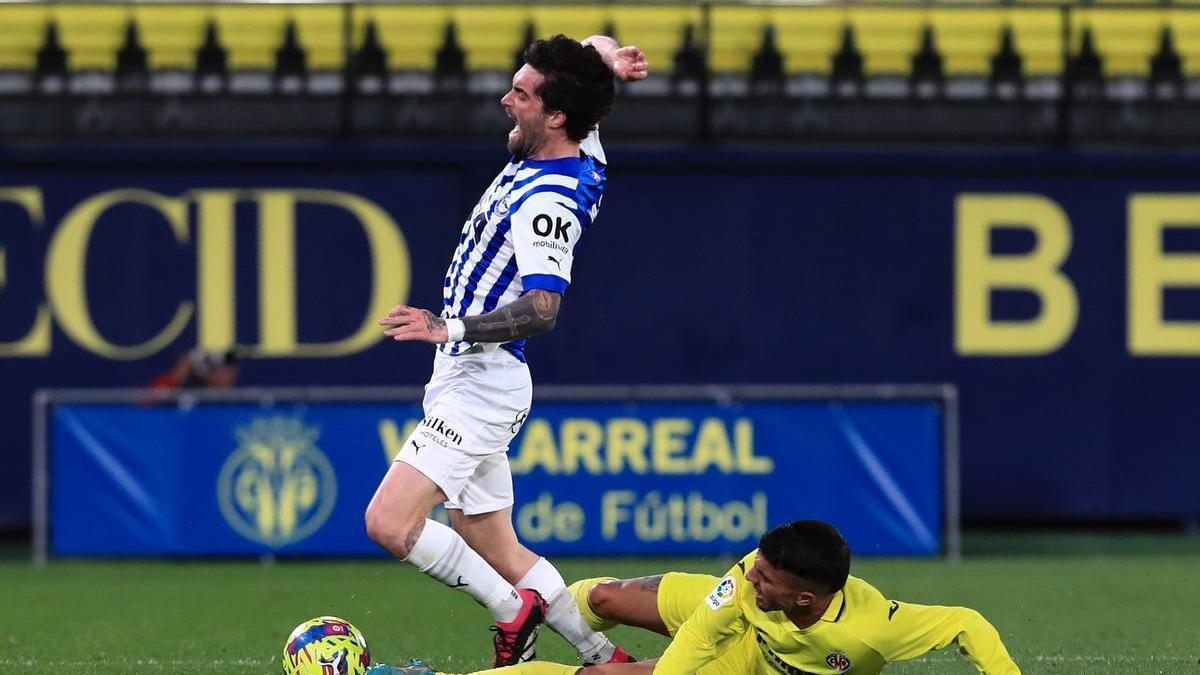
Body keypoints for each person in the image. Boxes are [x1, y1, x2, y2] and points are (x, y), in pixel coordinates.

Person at [364, 33, 648, 668]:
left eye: (520, 94)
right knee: (494, 544)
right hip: (477, 379)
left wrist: (451, 328)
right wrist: (607, 59)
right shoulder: (583, 144)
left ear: (556, 117)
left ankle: (510, 612)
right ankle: (606, 659)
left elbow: (543, 310)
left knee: (388, 524)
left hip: (482, 380)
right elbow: (593, 49)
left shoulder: (547, 199)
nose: (504, 100)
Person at [389, 520, 1022, 675]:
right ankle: (536, 614)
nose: (750, 573)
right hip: (723, 621)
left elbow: (968, 624)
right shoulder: (753, 578)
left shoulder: (872, 632)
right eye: (755, 564)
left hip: (748, 660)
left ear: (805, 599)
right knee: (604, 599)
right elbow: (705, 625)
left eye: (766, 576)